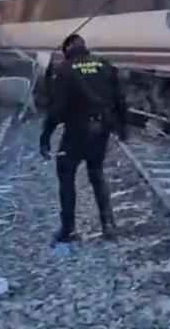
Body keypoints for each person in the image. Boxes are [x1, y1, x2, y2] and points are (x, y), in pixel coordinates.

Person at [39, 34, 128, 244]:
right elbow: (120, 100)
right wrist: (122, 127)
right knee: (96, 172)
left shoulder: (65, 70)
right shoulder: (105, 65)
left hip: (77, 131)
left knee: (66, 172)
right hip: (102, 128)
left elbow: (57, 109)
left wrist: (46, 136)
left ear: (68, 49)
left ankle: (68, 230)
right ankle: (109, 225)